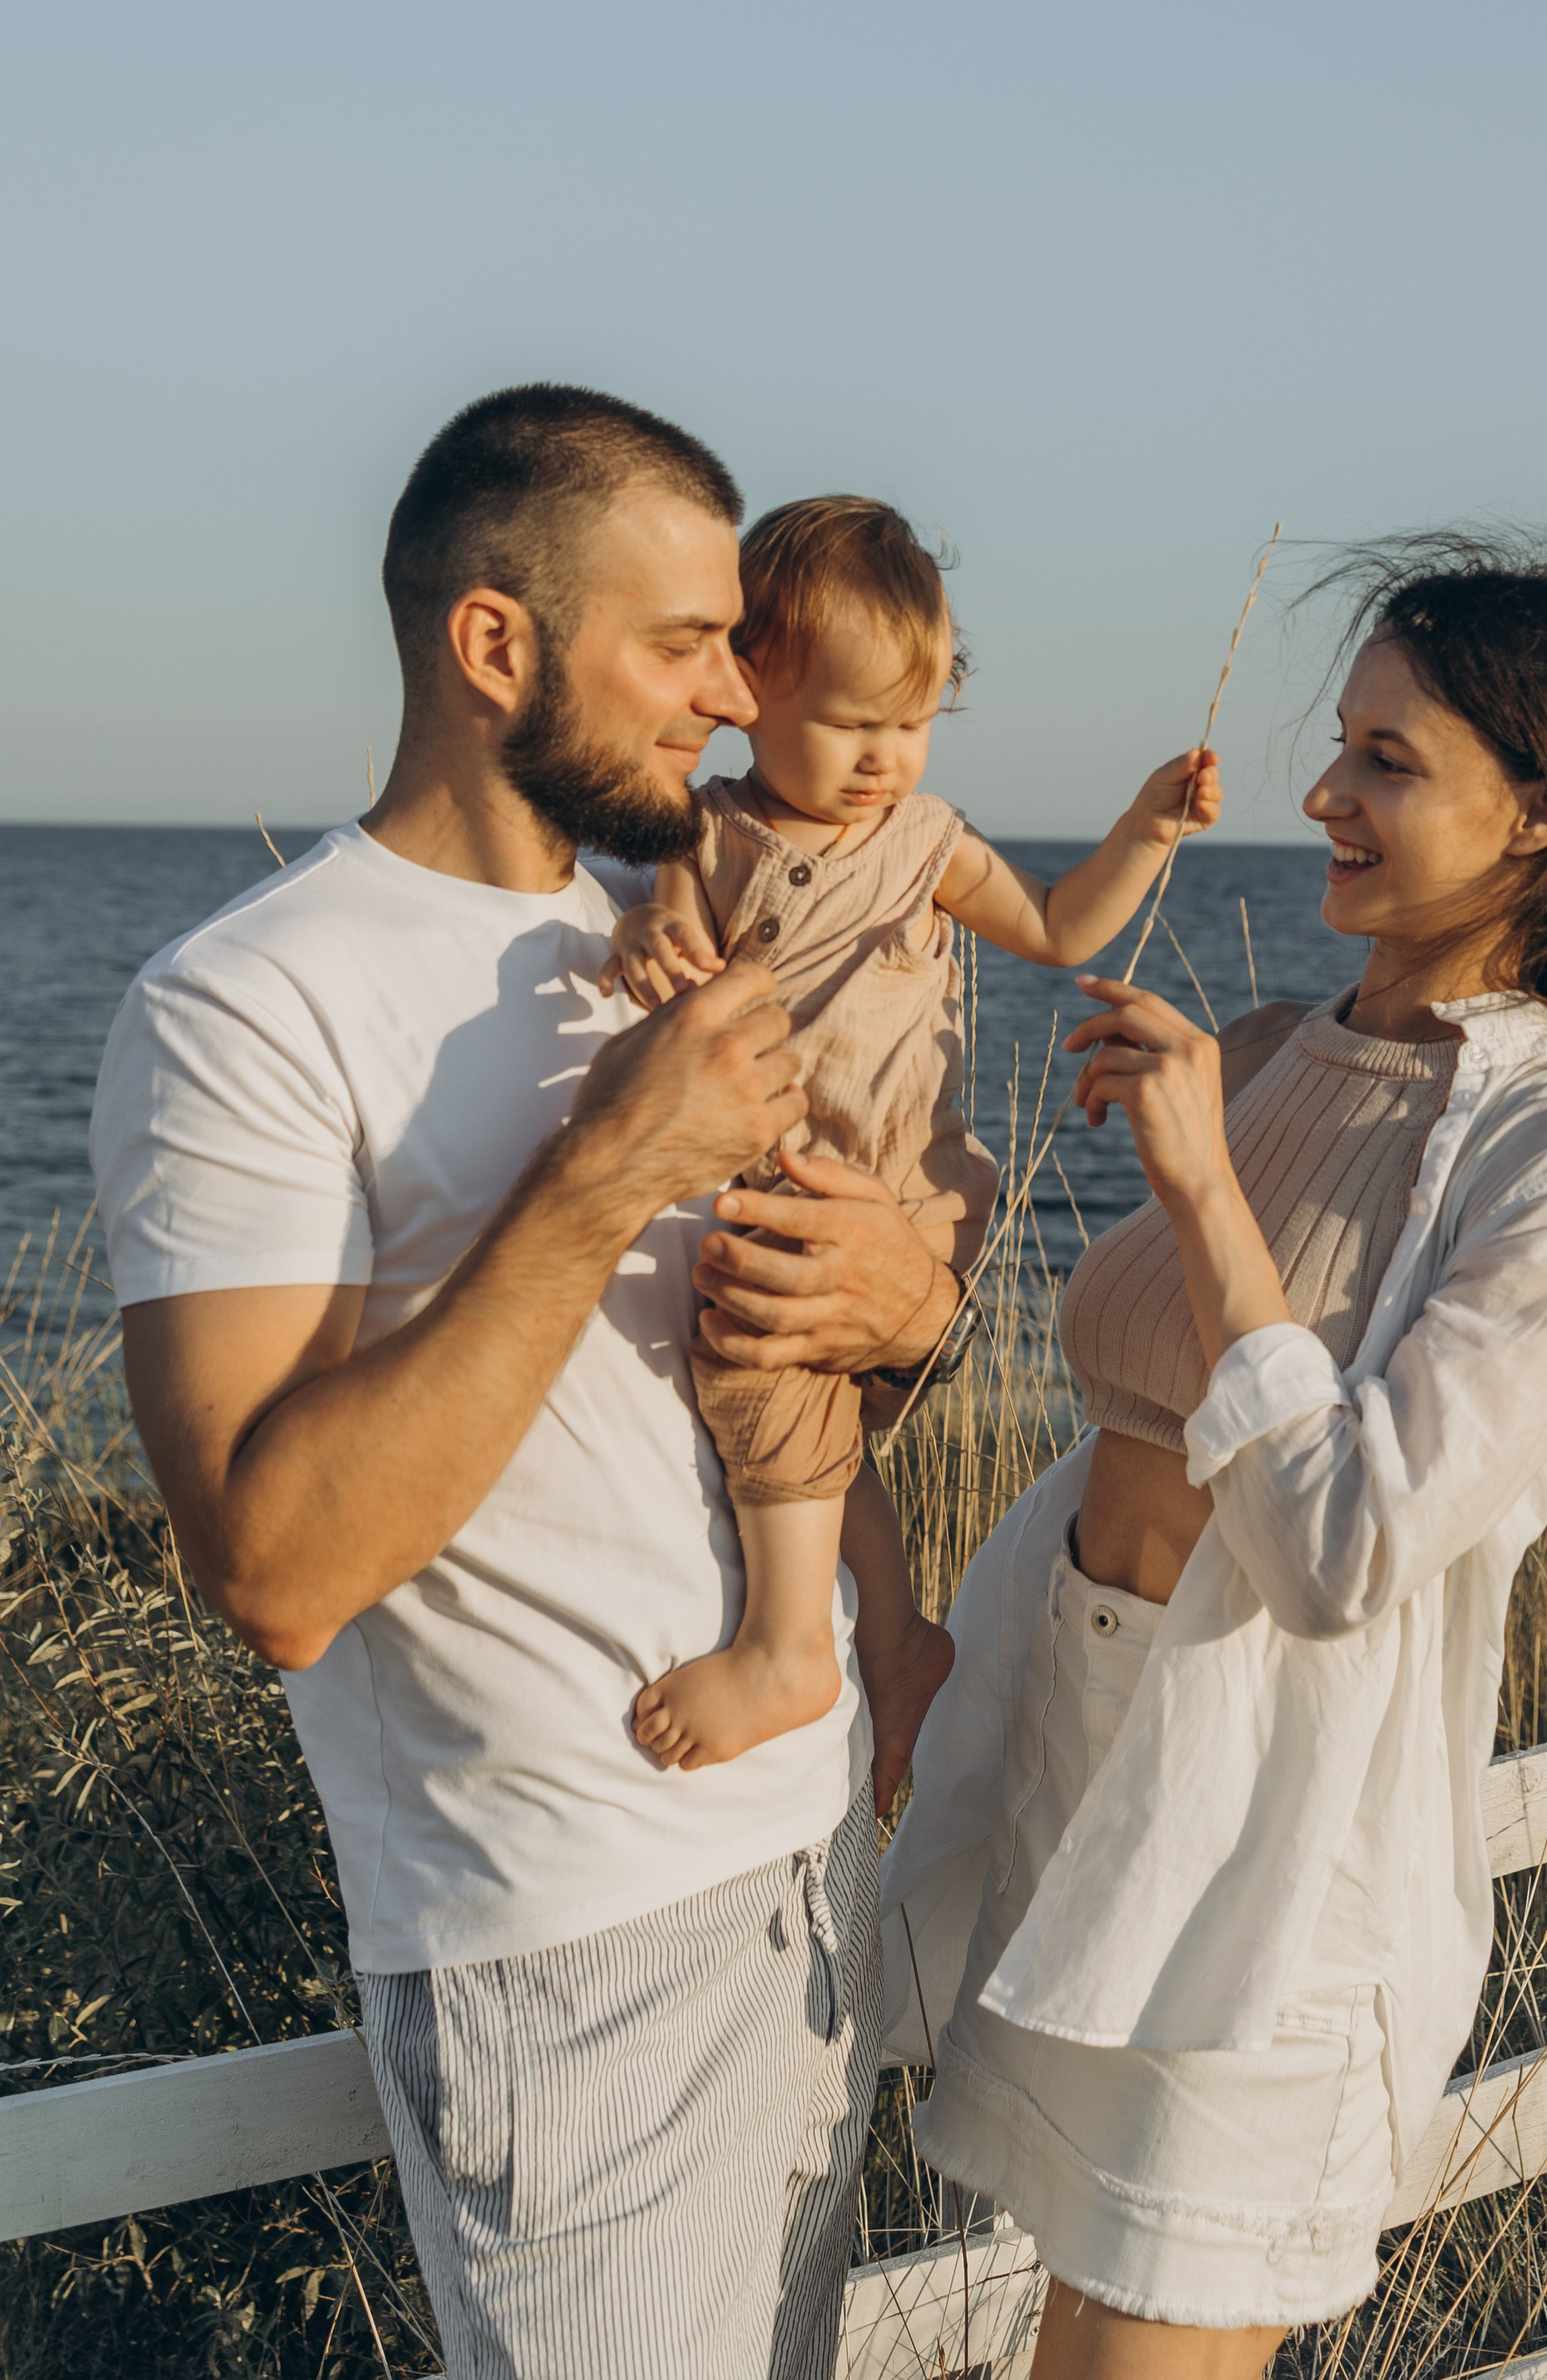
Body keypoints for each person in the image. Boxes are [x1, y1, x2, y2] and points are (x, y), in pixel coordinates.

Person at [89, 385, 975, 2380]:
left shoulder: (674, 948)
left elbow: (788, 1379)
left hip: (804, 1872)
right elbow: (277, 1568)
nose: (740, 703)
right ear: (496, 644)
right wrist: (604, 1172)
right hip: (564, 1947)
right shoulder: (252, 1003)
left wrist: (907, 1309)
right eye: (684, 646)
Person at [880, 539, 1547, 2378]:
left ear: (1534, 819)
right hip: (1082, 1783)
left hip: (1264, 1877)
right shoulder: (1266, 1047)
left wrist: (1195, 1186)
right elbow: (1119, 1399)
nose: (1321, 794)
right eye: (1338, 743)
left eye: (1386, 763)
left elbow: (1344, 1544)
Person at [599, 493, 1224, 1806]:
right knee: (815, 1419)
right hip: (790, 1177)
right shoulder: (708, 835)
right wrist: (652, 919)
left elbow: (1058, 929)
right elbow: (657, 892)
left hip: (907, 1193)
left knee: (757, 1364)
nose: (886, 757)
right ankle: (895, 1638)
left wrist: (1145, 832)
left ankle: (787, 1650)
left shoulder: (925, 843)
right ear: (749, 684)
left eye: (912, 723)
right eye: (850, 723)